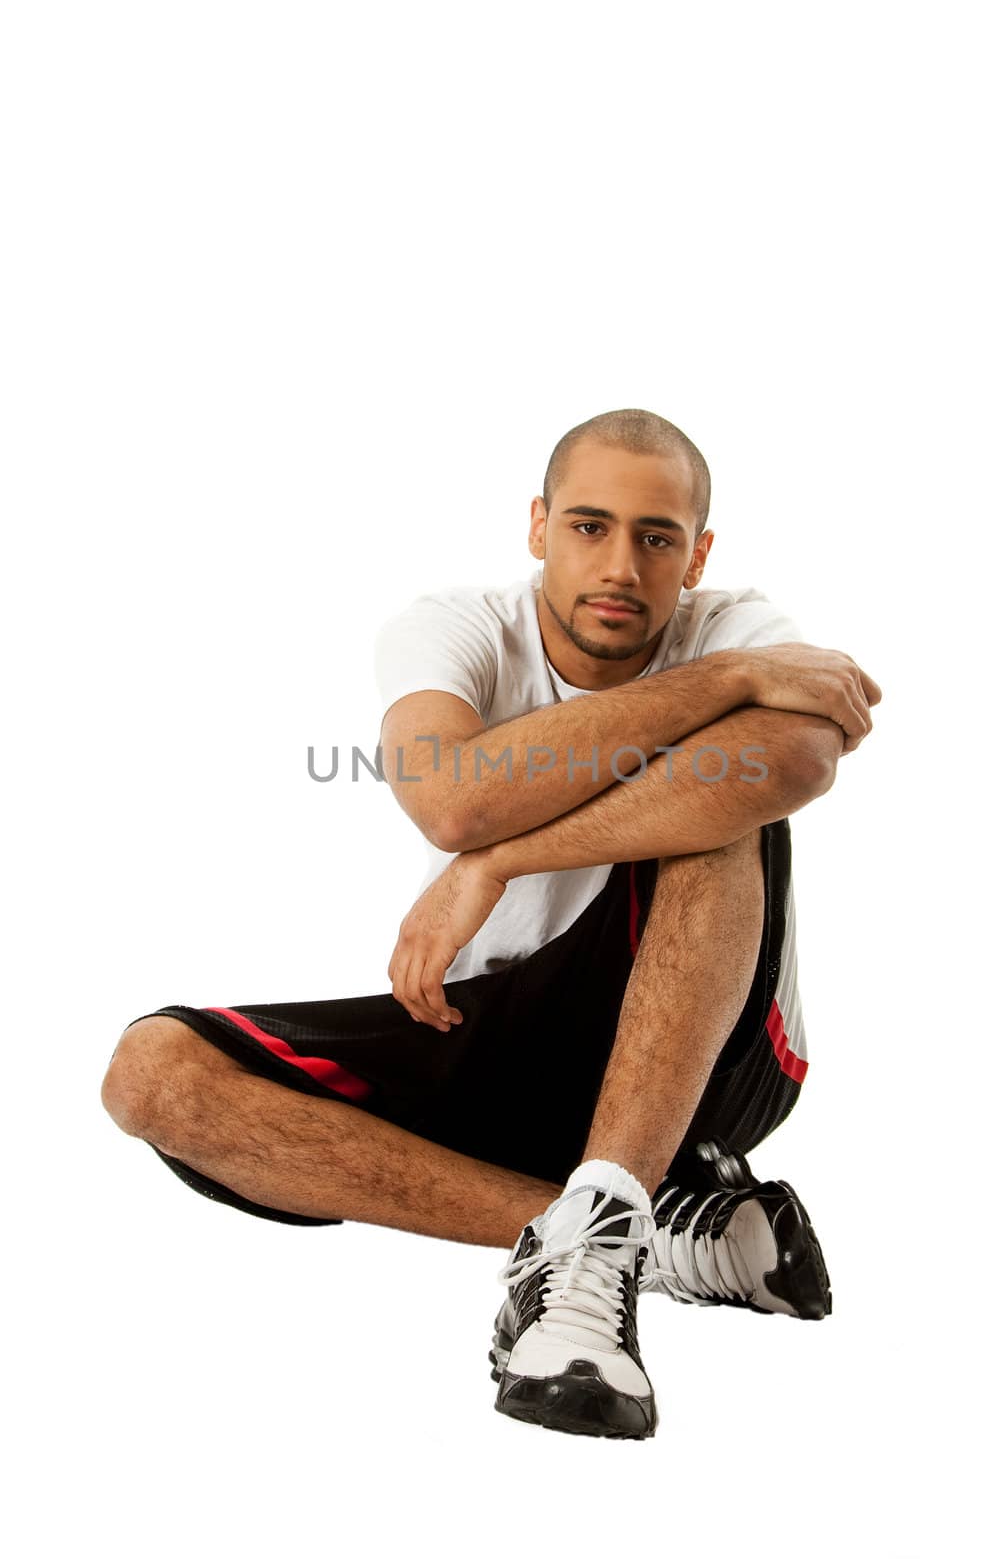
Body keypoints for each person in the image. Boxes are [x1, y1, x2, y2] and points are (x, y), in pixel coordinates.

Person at [101, 407, 881, 1442]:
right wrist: (725, 688)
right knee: (152, 1074)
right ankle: (653, 1238)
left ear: (696, 554)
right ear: (537, 526)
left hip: (709, 1058)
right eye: (588, 526)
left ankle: (601, 1245)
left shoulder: (739, 623)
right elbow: (449, 799)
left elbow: (791, 764)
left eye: (656, 538)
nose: (619, 564)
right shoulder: (453, 625)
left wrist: (498, 861)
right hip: (496, 1043)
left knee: (725, 805)